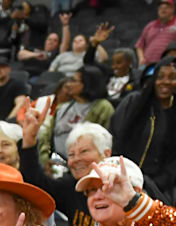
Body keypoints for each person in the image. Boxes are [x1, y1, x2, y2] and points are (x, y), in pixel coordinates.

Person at [111, 56, 176, 196]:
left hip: (158, 188)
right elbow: (116, 138)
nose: (165, 82)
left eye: (172, 77)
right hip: (122, 179)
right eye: (160, 77)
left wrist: (155, 185)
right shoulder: (134, 102)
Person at [38, 65, 114, 171]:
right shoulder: (62, 107)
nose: (68, 84)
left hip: (85, 167)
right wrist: (45, 160)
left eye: (74, 81)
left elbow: (104, 142)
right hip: (55, 165)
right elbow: (45, 137)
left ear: (88, 83)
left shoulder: (103, 107)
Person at [84, 24, 138, 107]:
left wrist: (106, 103)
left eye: (118, 63)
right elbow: (88, 62)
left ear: (129, 62)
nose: (114, 66)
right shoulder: (108, 72)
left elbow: (128, 102)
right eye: (113, 63)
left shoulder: (135, 80)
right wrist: (94, 44)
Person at [136, 0, 176, 66]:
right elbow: (139, 46)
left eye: (166, 7)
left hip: (169, 66)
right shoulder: (150, 25)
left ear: (173, 9)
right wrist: (141, 58)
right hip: (148, 65)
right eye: (161, 7)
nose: (163, 9)